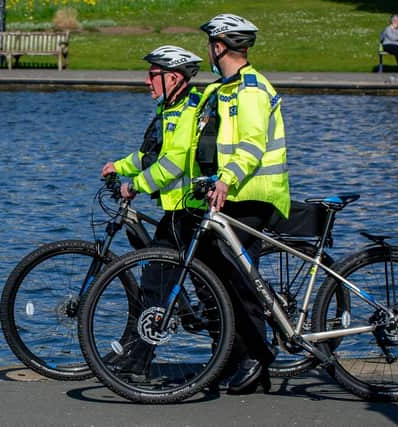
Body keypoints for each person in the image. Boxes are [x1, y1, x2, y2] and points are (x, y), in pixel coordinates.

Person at [195, 13, 291, 395]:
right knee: (215, 270)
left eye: (210, 44)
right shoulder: (223, 89)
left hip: (255, 192)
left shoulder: (251, 89)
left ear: (220, 46)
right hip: (233, 192)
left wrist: (226, 179)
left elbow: (252, 144)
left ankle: (256, 357)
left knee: (239, 274)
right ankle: (233, 356)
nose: (208, 50)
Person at [100, 45, 204, 380]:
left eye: (153, 75)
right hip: (177, 210)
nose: (147, 81)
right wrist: (119, 165)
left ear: (173, 77)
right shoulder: (170, 109)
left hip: (189, 209)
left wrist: (134, 186)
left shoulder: (189, 110)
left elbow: (172, 165)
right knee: (160, 283)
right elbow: (151, 155)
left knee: (156, 284)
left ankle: (138, 360)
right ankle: (135, 353)